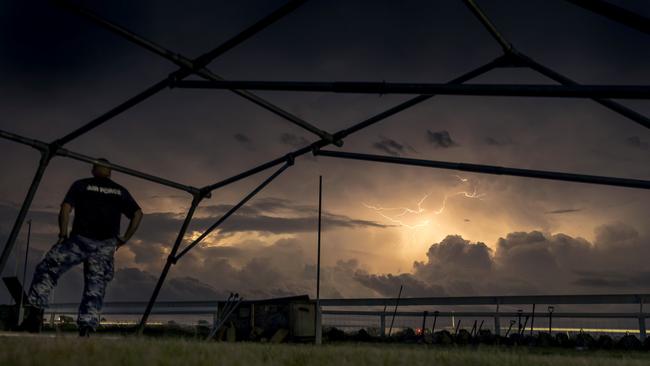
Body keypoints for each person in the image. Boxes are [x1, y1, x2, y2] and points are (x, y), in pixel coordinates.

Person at [20, 158, 143, 336]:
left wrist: (62, 234)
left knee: (48, 268)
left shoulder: (81, 185)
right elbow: (138, 214)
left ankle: (35, 314)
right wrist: (124, 239)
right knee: (95, 286)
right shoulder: (120, 191)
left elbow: (65, 208)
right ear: (110, 172)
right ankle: (86, 327)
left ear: (93, 170)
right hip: (104, 245)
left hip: (80, 241)